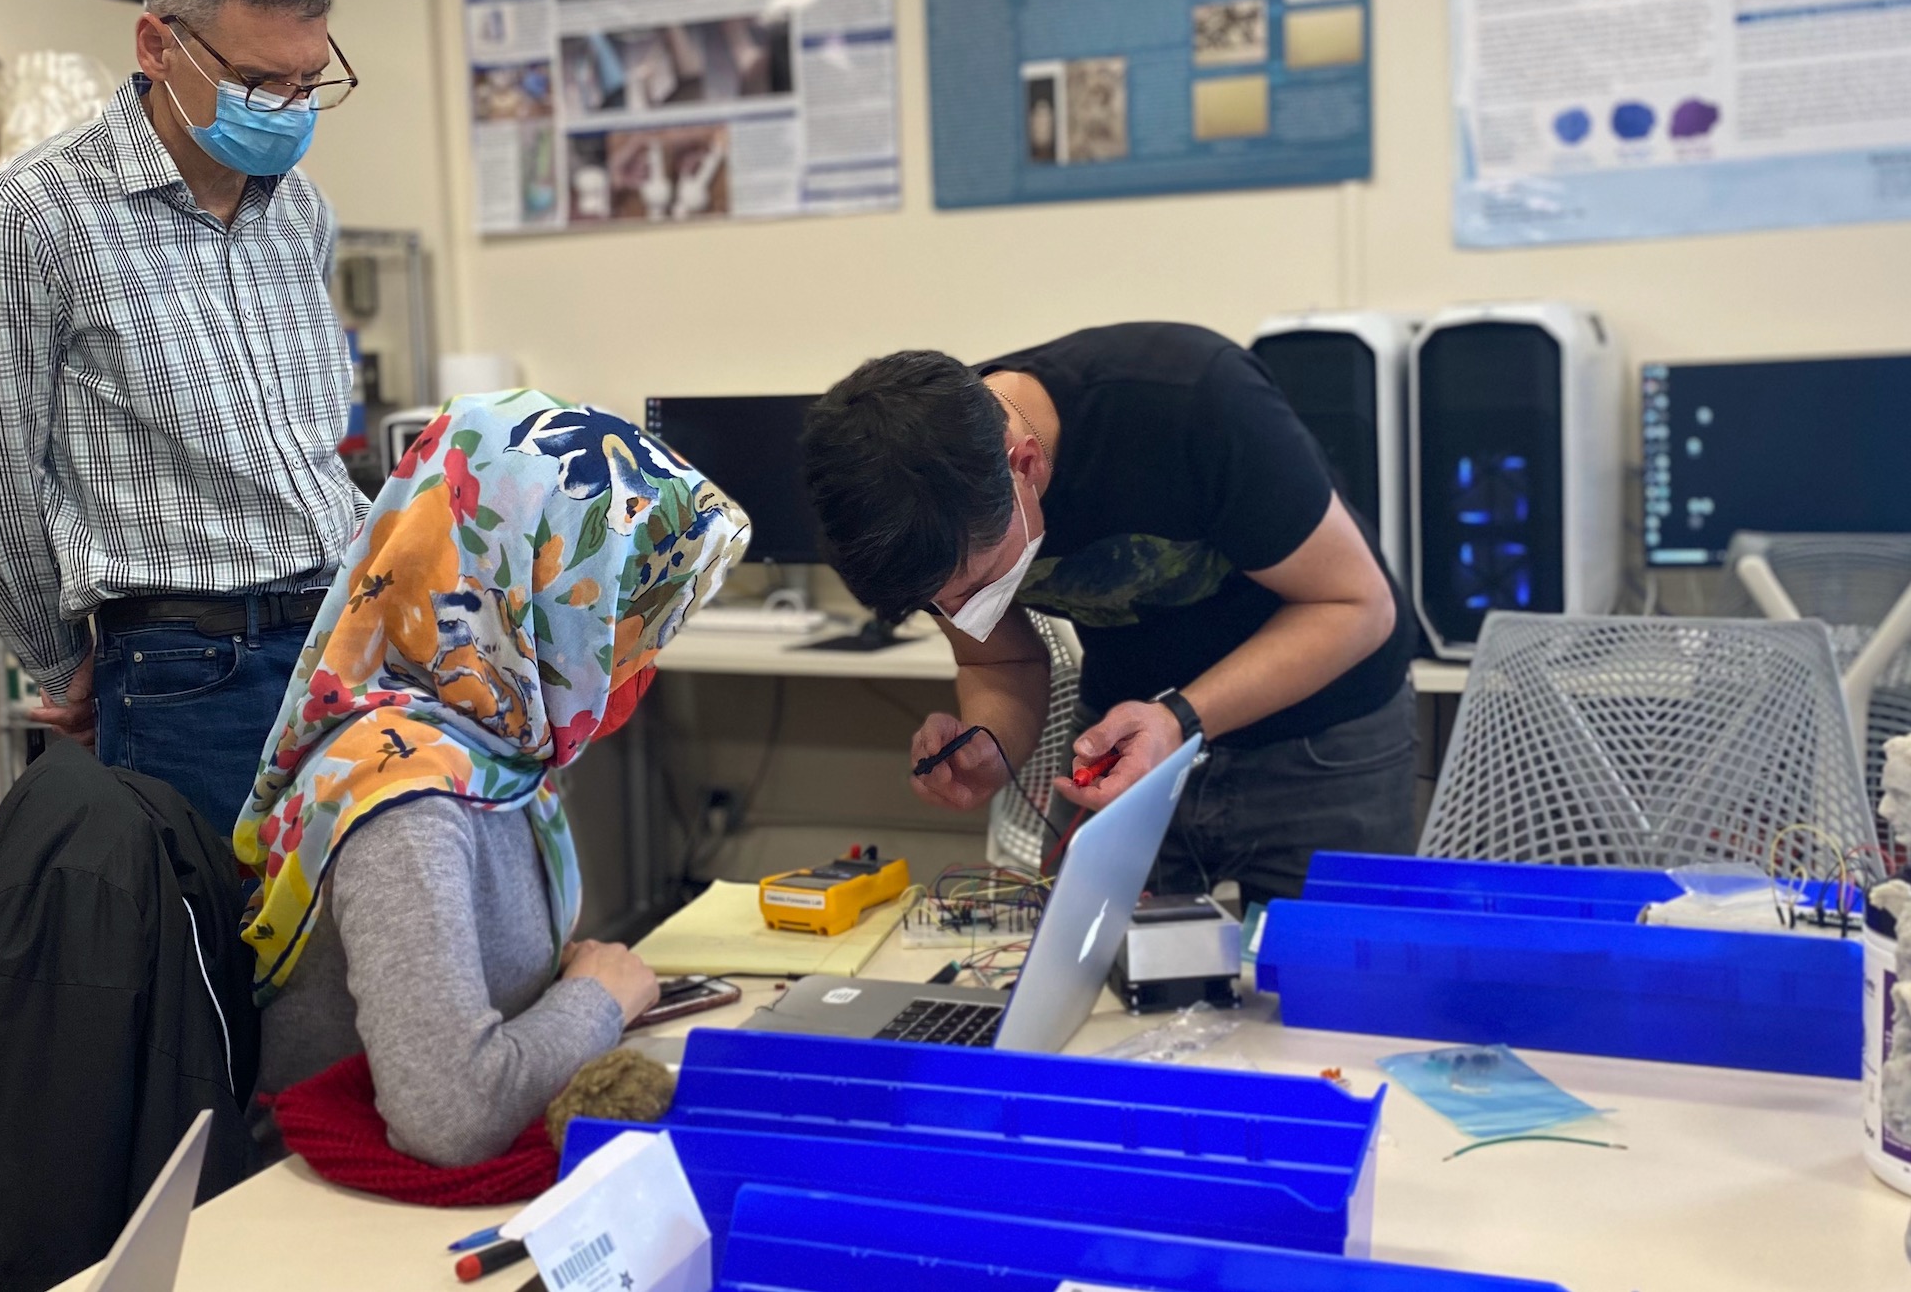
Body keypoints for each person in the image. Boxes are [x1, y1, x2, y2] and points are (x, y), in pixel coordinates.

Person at [0, 0, 364, 835]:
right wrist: (60, 663)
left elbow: (312, 445)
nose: (286, 108)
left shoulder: (301, 213)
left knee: (355, 948)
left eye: (307, 81)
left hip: (339, 637)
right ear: (157, 46)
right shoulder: (31, 217)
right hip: (190, 669)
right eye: (255, 80)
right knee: (217, 958)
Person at [238, 392, 747, 1168]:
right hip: (340, 1209)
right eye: (624, 629)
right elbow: (450, 1116)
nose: (642, 665)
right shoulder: (402, 802)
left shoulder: (492, 743)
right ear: (534, 601)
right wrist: (601, 998)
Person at [801, 323, 1419, 905]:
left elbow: (1356, 606)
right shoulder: (922, 514)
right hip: (1128, 742)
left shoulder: (1191, 401)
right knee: (1086, 986)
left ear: (1026, 465)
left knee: (1326, 993)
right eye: (939, 605)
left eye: (979, 584)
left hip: (1320, 737)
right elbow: (1002, 658)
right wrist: (990, 747)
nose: (960, 614)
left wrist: (1178, 719)